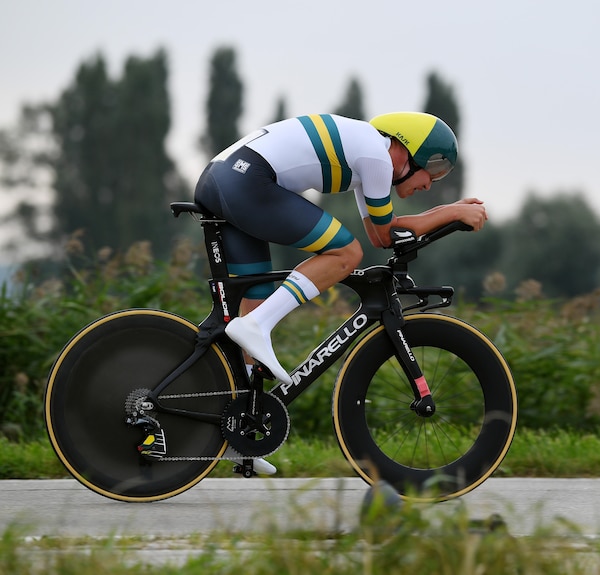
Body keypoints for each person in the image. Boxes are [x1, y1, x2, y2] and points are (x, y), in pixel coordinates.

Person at [193, 112, 487, 474]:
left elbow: (383, 234)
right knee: (346, 253)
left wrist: (450, 211)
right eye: (436, 169)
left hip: (225, 177)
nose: (432, 183)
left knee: (257, 292)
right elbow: (379, 237)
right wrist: (453, 212)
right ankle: (257, 325)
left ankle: (240, 434)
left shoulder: (368, 161)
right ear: (409, 152)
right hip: (245, 180)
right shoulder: (378, 157)